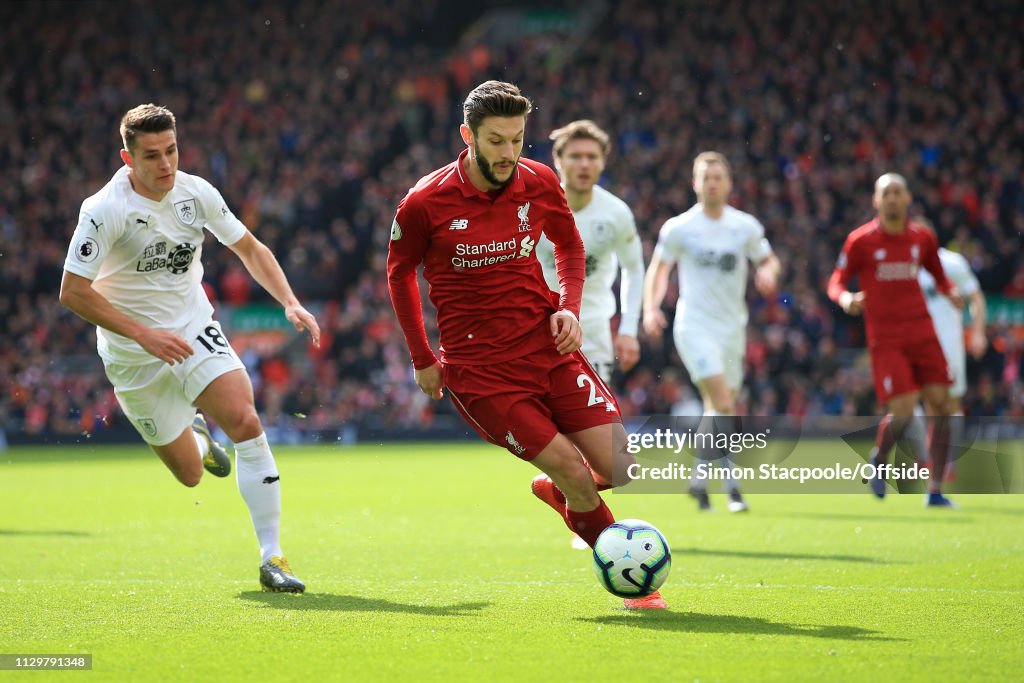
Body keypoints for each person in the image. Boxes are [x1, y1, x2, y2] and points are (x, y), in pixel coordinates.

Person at [386, 81, 665, 609]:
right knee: (577, 475)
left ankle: (559, 493)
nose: (509, 153)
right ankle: (638, 588)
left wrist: (569, 306)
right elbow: (399, 273)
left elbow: (569, 245)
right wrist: (422, 357)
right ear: (466, 135)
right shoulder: (425, 201)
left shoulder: (538, 181)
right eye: (496, 141)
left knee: (619, 468)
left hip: (547, 347)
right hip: (483, 373)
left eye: (518, 139)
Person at [60, 104, 320, 592]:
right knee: (190, 475)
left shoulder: (196, 194)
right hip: (133, 355)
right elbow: (72, 292)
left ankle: (273, 557)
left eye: (172, 151)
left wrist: (289, 302)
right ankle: (198, 436)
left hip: (192, 327)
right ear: (127, 158)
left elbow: (250, 249)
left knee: (245, 419)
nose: (166, 165)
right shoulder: (103, 211)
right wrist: (142, 335)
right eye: (153, 156)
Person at [643, 152, 779, 513]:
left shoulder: (744, 226)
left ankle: (699, 482)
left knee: (716, 408)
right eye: (706, 177)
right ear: (695, 184)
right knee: (724, 403)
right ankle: (732, 488)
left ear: (729, 184)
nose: (713, 183)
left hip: (733, 327)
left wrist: (769, 273)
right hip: (695, 325)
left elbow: (767, 259)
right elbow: (659, 270)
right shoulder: (680, 228)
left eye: (719, 177)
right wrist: (651, 308)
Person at [826, 173, 962, 507]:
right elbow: (836, 281)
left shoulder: (923, 238)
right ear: (876, 200)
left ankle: (934, 489)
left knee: (942, 406)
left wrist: (951, 293)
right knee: (902, 412)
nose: (892, 199)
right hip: (886, 339)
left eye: (897, 192)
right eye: (886, 193)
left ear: (907, 198)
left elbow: (939, 277)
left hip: (923, 332)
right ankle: (879, 457)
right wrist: (845, 299)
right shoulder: (860, 241)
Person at [868, 231, 987, 482]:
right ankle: (898, 458)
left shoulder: (951, 263)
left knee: (947, 407)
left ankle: (938, 471)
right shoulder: (898, 266)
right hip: (909, 348)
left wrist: (977, 332)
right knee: (906, 406)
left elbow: (976, 296)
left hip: (948, 348)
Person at [535, 120, 645, 384]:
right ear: (558, 160)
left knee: (594, 424)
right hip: (536, 329)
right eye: (575, 156)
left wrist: (628, 330)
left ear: (603, 162)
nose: (584, 164)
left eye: (592, 157)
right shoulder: (534, 208)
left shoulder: (615, 213)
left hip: (592, 332)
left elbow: (633, 268)